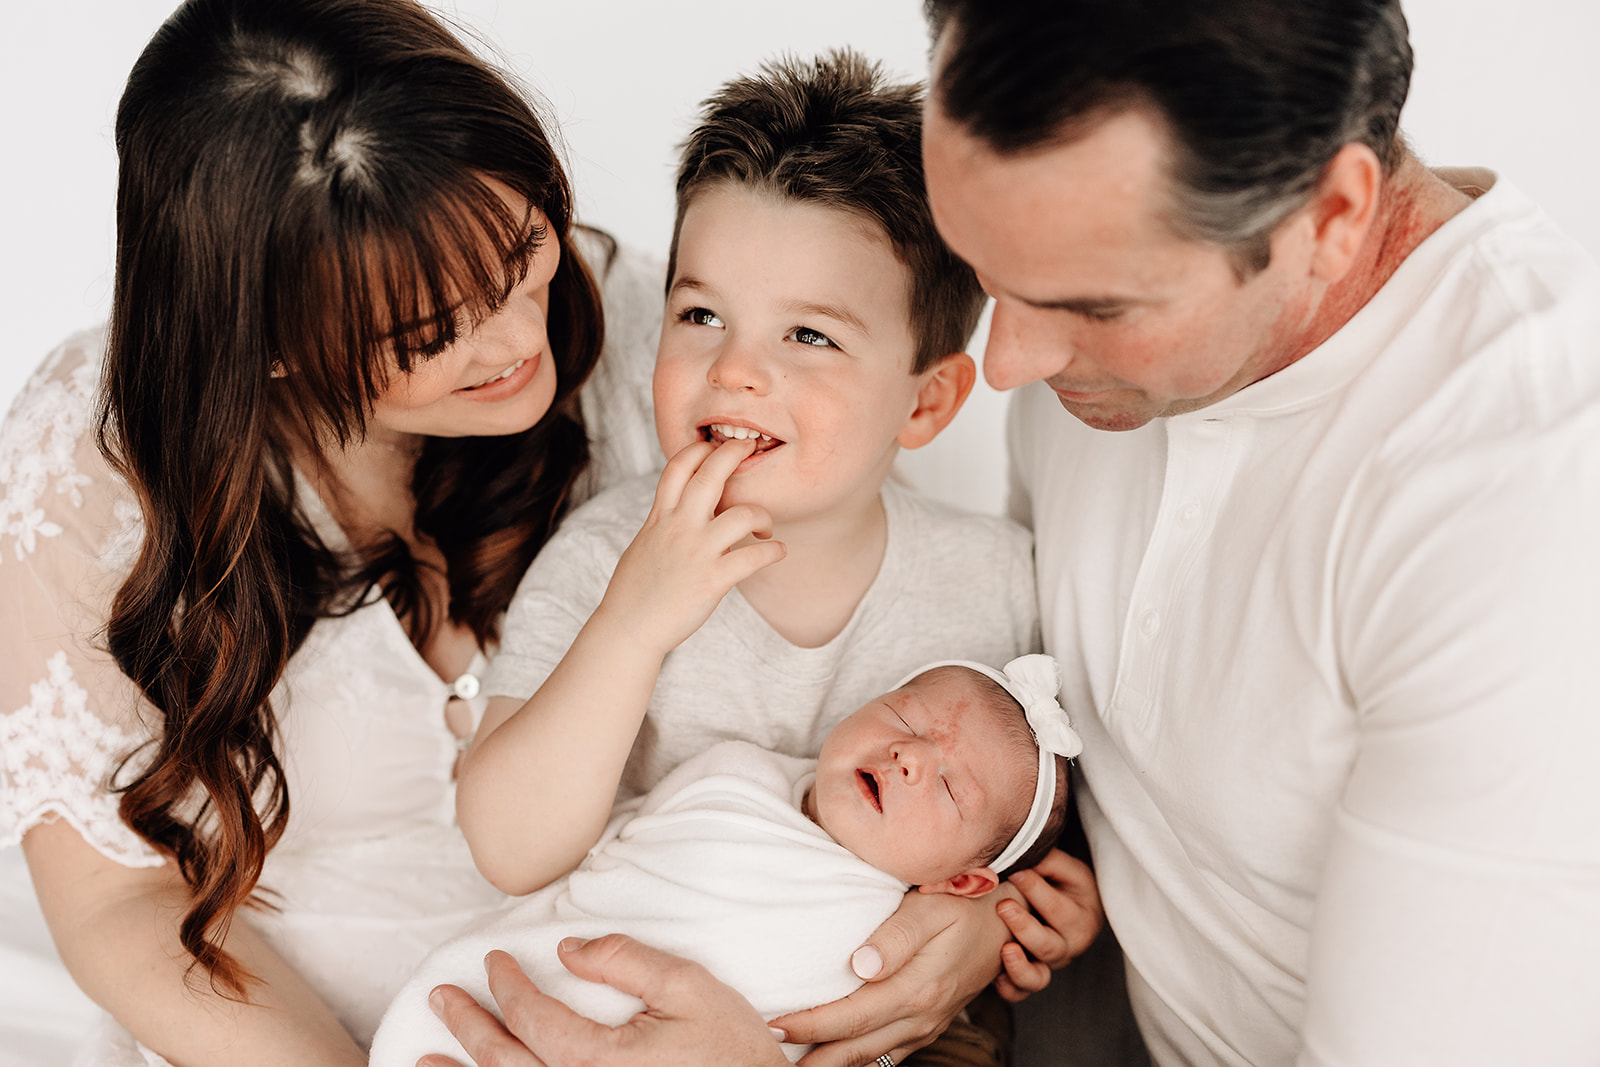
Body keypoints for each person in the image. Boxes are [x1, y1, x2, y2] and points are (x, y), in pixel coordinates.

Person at [426, 1, 1600, 1065]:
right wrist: (985, 909)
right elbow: (1049, 755)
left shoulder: (1530, 511)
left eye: (1092, 305)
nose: (1010, 367)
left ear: (1328, 218)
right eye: (993, 278)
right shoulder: (1111, 323)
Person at [0, 0, 666, 1062]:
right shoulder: (92, 460)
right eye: (429, 332)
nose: (515, 336)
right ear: (263, 344)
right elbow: (123, 902)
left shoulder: (656, 337)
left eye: (520, 246)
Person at [448, 50, 1102, 1067]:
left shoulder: (995, 584)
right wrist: (636, 619)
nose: (735, 369)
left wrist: (1025, 903)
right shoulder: (610, 553)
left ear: (926, 400)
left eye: (808, 334)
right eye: (700, 315)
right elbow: (510, 844)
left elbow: (1020, 822)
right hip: (630, 1015)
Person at [371, 655, 1083, 1067]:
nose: (908, 756)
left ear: (960, 881)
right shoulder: (735, 771)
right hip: (512, 982)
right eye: (903, 715)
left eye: (952, 785)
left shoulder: (894, 944)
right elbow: (607, 848)